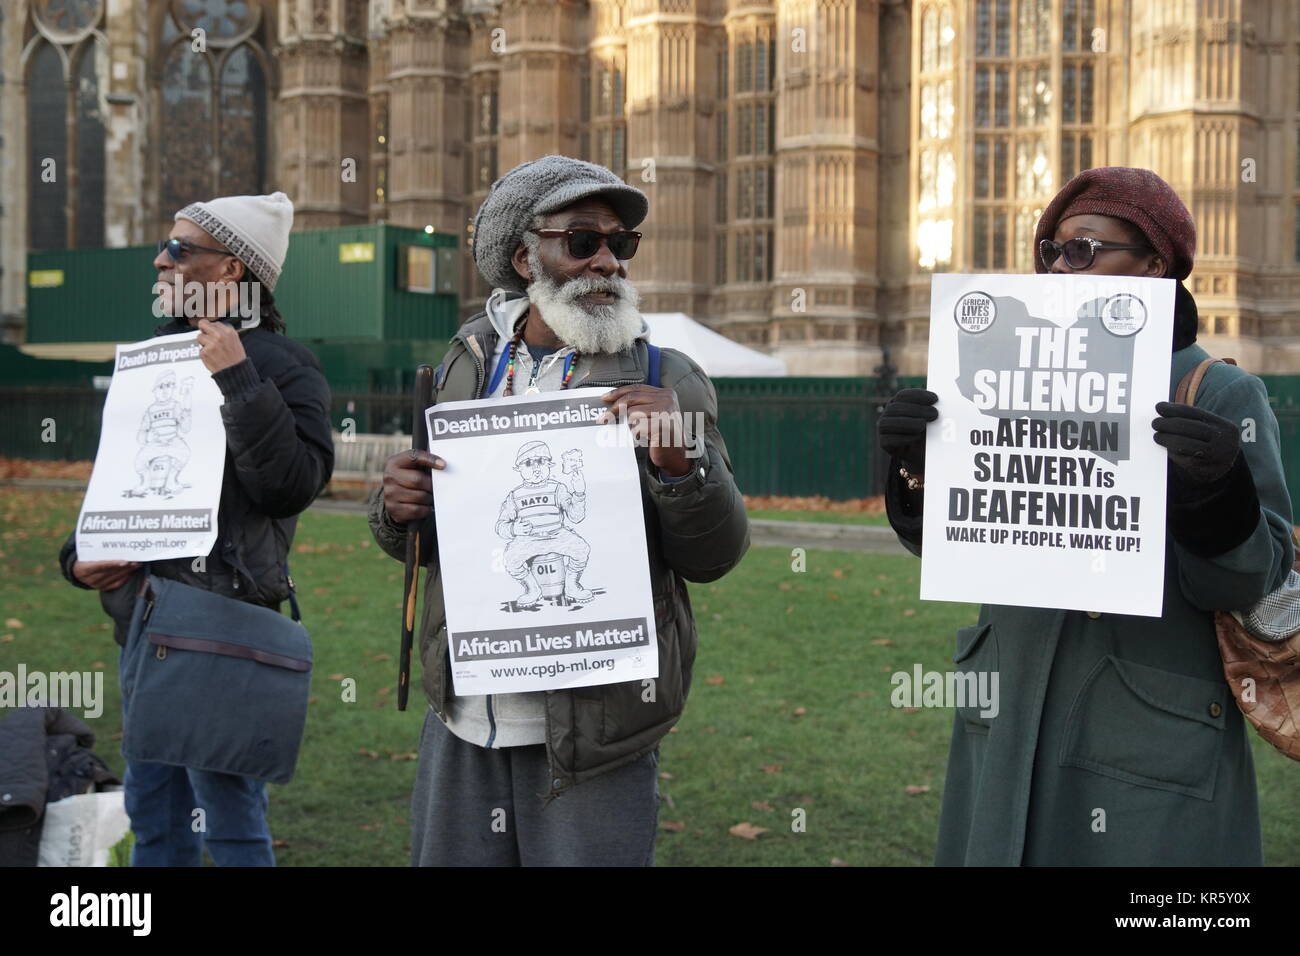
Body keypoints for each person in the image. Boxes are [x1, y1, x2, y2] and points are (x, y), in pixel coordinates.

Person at [878, 167, 1294, 866]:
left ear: (1156, 264)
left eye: (1083, 249)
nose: (1058, 268)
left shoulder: (1220, 392)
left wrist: (1216, 495)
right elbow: (960, 541)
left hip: (1145, 721)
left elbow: (1253, 581)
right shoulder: (995, 369)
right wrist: (915, 469)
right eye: (1050, 251)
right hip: (1008, 705)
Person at [368, 155, 750, 866]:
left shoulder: (669, 379)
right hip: (466, 717)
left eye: (620, 244)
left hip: (596, 733)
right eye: (583, 241)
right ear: (524, 255)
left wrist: (680, 463)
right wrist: (396, 509)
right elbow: (427, 541)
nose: (608, 260)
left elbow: (716, 554)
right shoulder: (467, 365)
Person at [58, 192, 335, 866]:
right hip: (145, 629)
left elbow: (291, 485)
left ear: (232, 271)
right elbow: (118, 485)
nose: (160, 259)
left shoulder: (284, 367)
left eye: (180, 249)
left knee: (232, 825)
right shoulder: (154, 359)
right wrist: (81, 558)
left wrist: (239, 379)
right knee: (154, 822)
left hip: (224, 628)